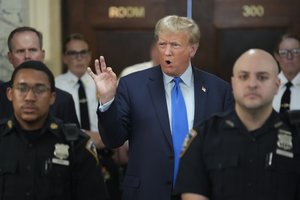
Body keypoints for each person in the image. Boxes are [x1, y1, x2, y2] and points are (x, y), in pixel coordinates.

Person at [87, 15, 234, 200]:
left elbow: (228, 147)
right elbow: (113, 139)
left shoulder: (218, 90)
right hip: (147, 192)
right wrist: (108, 99)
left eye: (175, 45)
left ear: (192, 49)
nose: (166, 52)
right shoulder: (132, 85)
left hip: (201, 192)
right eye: (162, 44)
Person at [175, 49, 300, 200]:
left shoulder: (296, 136)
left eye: (262, 77)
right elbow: (192, 195)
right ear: (233, 84)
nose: (252, 84)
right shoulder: (203, 136)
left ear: (277, 85)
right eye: (243, 77)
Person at [0, 60, 107, 199]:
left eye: (40, 89)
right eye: (22, 88)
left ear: (52, 97)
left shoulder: (76, 144)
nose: (30, 97)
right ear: (9, 94)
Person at [56, 33, 121, 200]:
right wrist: (85, 136)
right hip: (70, 156)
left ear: (90, 56)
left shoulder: (104, 83)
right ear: (64, 58)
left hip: (105, 154)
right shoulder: (55, 86)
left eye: (83, 52)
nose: (79, 58)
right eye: (72, 53)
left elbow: (118, 118)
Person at [0, 26, 79, 126]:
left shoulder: (63, 100)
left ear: (42, 55)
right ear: (10, 57)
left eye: (33, 50)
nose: (27, 56)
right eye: (20, 51)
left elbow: (72, 138)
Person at [272, 32, 300, 114]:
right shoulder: (268, 86)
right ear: (277, 56)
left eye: (295, 51)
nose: (289, 57)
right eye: (284, 52)